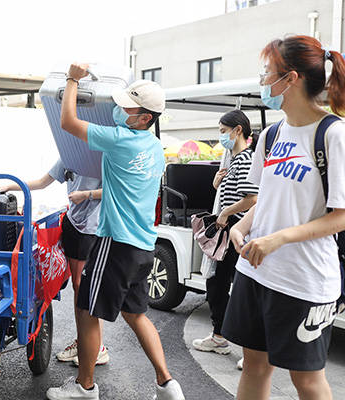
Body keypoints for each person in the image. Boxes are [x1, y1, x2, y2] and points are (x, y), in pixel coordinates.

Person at [46, 64, 185, 400]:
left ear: (145, 118)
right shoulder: (154, 150)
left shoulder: (122, 140)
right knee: (136, 314)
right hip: (143, 246)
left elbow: (67, 123)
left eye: (128, 108)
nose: (120, 111)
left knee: (86, 309)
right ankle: (168, 385)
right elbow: (122, 188)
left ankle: (85, 387)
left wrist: (72, 80)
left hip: (116, 244)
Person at [223, 35, 345, 400]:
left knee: (305, 380)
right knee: (254, 365)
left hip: (303, 280)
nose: (263, 83)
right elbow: (266, 199)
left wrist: (279, 238)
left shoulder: (333, 134)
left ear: (290, 79)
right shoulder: (271, 135)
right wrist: (240, 226)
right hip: (255, 270)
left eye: (267, 74)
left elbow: (340, 216)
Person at [0, 160, 110, 366]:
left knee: (87, 289)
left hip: (93, 228)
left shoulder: (98, 154)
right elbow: (42, 182)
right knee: (79, 289)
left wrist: (86, 195)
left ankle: (97, 349)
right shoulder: (68, 155)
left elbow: (115, 190)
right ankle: (84, 343)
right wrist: (9, 185)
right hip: (74, 225)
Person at [192, 110, 258, 357]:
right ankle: (219, 336)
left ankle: (251, 352)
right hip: (228, 232)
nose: (221, 137)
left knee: (239, 290)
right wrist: (217, 183)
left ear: (237, 130)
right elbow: (228, 193)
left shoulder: (246, 160)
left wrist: (225, 213)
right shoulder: (232, 160)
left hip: (238, 232)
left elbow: (252, 199)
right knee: (216, 285)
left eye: (222, 131)